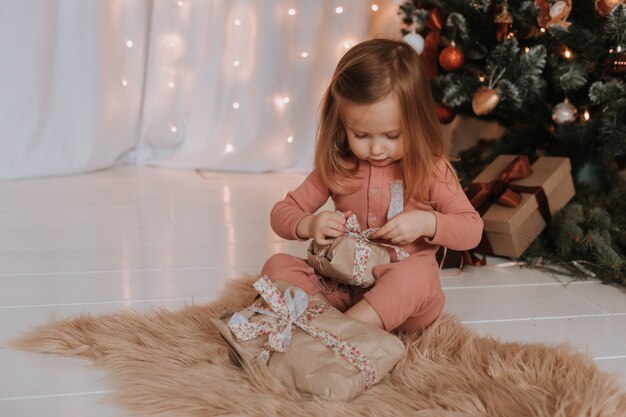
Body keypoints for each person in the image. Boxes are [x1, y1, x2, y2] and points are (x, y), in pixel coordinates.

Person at [262, 38, 483, 333]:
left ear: (416, 123)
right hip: (342, 286)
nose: (377, 149)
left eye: (392, 136)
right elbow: (282, 212)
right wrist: (309, 224)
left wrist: (428, 223)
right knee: (277, 266)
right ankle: (333, 325)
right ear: (342, 124)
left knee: (419, 277)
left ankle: (334, 332)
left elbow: (472, 230)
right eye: (361, 135)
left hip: (401, 299)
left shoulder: (431, 170)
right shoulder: (339, 165)